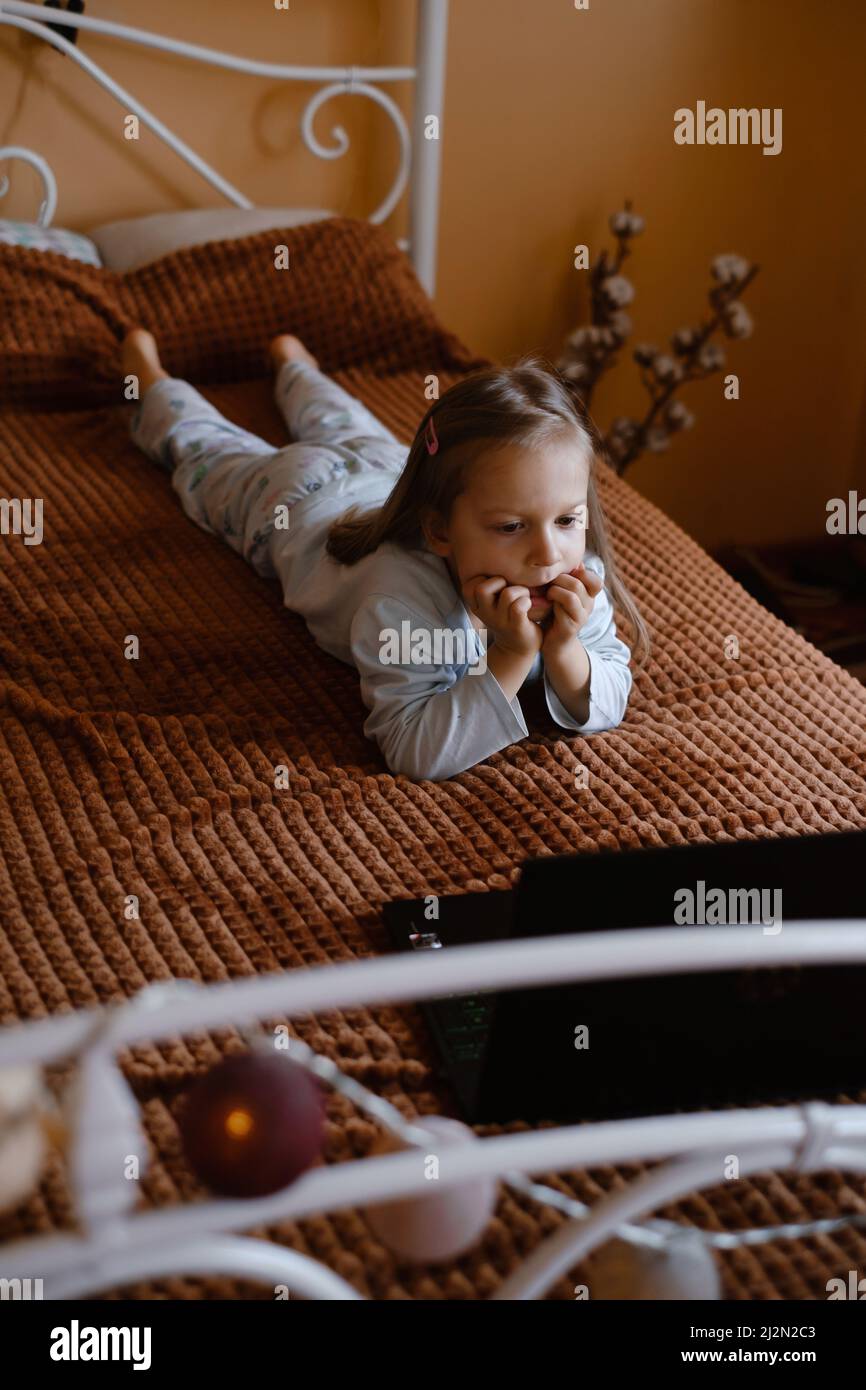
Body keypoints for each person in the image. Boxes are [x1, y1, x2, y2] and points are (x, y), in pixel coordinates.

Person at [122, 329, 650, 781]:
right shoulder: (400, 603)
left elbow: (609, 692)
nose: (547, 553)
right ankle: (148, 375)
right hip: (295, 499)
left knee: (346, 420)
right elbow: (414, 750)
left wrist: (563, 650)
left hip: (384, 468)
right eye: (511, 526)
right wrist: (511, 654)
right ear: (439, 531)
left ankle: (295, 365)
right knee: (209, 449)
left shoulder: (575, 580)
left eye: (566, 520)